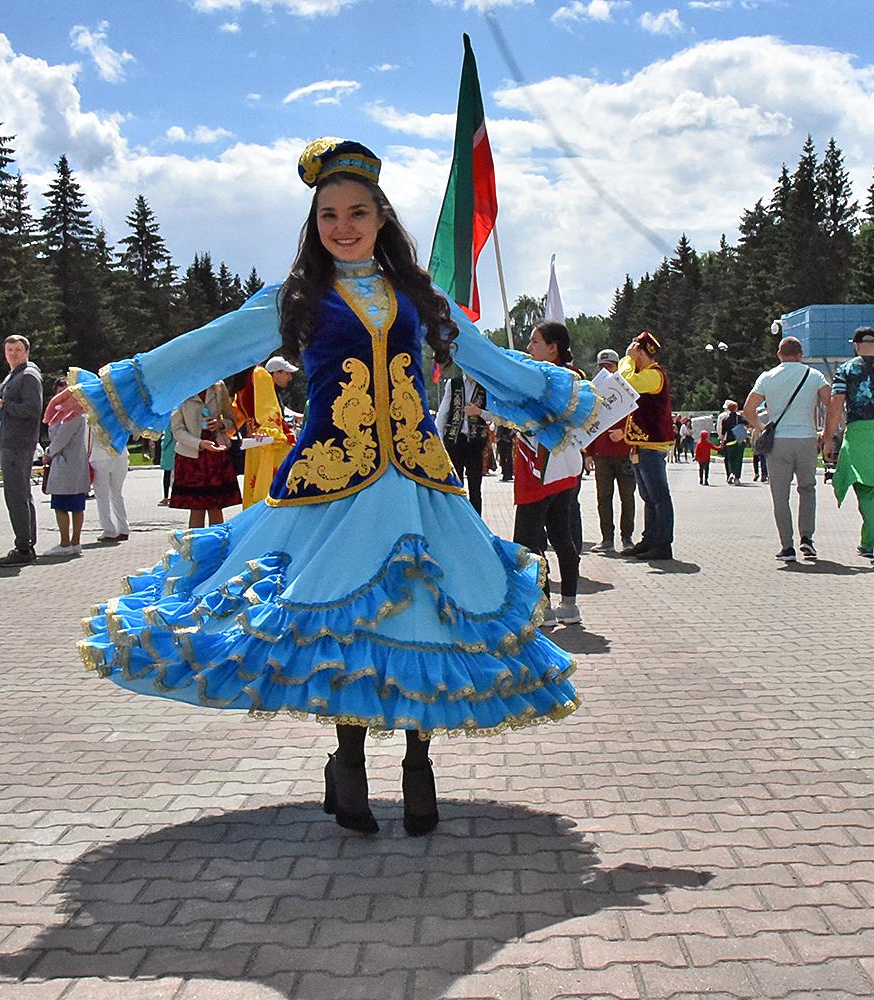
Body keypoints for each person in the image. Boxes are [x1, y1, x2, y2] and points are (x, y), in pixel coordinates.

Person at [46, 138, 588, 837]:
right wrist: (109, 394)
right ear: (315, 224)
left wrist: (564, 398)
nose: (344, 225)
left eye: (358, 211)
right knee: (339, 619)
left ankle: (419, 765)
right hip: (332, 487)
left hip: (423, 484)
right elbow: (208, 347)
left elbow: (487, 359)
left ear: (382, 218)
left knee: (429, 616)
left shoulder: (422, 298)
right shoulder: (296, 297)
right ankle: (349, 762)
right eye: (329, 213)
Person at [513, 321, 583, 626]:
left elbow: (532, 419)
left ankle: (542, 607)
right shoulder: (573, 377)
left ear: (553, 347)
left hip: (540, 469)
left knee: (528, 540)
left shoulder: (549, 380)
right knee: (560, 536)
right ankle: (569, 603)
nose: (529, 348)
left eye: (535, 342)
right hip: (564, 469)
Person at [745, 337, 830, 562]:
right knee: (807, 489)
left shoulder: (767, 377)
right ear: (801, 354)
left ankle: (787, 546)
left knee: (780, 496)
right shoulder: (814, 376)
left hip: (779, 441)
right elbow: (831, 404)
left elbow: (748, 409)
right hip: (807, 439)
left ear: (779, 354)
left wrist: (763, 427)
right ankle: (807, 539)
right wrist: (826, 434)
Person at [822, 327, 874, 566]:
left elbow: (835, 407)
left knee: (862, 486)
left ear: (855, 344)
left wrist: (828, 437)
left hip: (861, 431)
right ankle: (867, 542)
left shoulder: (847, 369)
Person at [0, 335, 43, 567]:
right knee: (19, 494)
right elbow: (5, 413)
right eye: (9, 350)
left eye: (18, 349)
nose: (13, 353)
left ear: (27, 352)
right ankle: (26, 543)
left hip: (19, 443)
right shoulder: (12, 376)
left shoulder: (28, 375)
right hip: (9, 441)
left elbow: (32, 409)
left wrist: (1, 404)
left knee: (16, 495)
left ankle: (24, 547)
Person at [617, 331, 676, 561]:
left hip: (652, 444)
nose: (630, 351)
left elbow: (626, 382)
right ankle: (650, 540)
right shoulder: (645, 373)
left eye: (634, 348)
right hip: (641, 443)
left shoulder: (654, 375)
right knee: (648, 497)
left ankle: (663, 544)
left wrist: (627, 359)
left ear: (642, 351)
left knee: (659, 496)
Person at [168, 381, 241, 528]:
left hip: (216, 454)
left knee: (216, 506)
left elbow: (232, 420)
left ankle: (217, 547)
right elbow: (177, 430)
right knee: (196, 508)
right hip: (191, 457)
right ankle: (195, 548)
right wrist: (199, 443)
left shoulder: (218, 386)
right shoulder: (180, 388)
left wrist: (221, 424)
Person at [586, 348, 635, 552]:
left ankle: (627, 538)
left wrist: (625, 434)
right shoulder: (593, 392)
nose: (606, 370)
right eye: (602, 367)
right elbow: (588, 422)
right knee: (603, 498)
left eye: (610, 366)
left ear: (617, 367)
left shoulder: (628, 390)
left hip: (625, 454)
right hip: (602, 455)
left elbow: (639, 419)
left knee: (627, 497)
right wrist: (588, 452)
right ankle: (607, 539)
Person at [236, 356, 299, 508]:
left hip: (255, 443)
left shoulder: (244, 378)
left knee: (255, 488)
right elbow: (269, 413)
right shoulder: (260, 374)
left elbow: (238, 412)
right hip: (267, 443)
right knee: (270, 490)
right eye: (286, 373)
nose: (289, 378)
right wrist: (273, 432)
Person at [44, 379, 92, 556]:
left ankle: (67, 543)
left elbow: (61, 440)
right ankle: (73, 543)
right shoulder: (64, 413)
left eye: (65, 392)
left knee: (64, 505)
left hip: (66, 464)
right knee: (74, 504)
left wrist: (48, 453)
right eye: (59, 392)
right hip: (73, 464)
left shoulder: (72, 414)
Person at [435, 365, 490, 514]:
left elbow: (494, 415)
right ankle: (457, 520)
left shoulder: (485, 386)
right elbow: (443, 413)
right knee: (455, 486)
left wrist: (479, 412)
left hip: (475, 442)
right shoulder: (453, 384)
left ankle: (477, 523)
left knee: (475, 487)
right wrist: (438, 442)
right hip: (455, 441)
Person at [90, 432, 130, 543]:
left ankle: (109, 529)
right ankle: (123, 528)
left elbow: (87, 438)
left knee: (102, 496)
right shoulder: (122, 415)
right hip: (120, 453)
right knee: (117, 493)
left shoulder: (91, 415)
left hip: (99, 456)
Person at [720, 400, 746, 485]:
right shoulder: (739, 418)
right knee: (738, 459)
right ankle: (737, 477)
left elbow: (723, 432)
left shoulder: (725, 419)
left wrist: (722, 441)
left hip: (729, 441)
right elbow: (747, 424)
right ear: (736, 408)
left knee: (730, 459)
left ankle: (730, 473)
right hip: (739, 441)